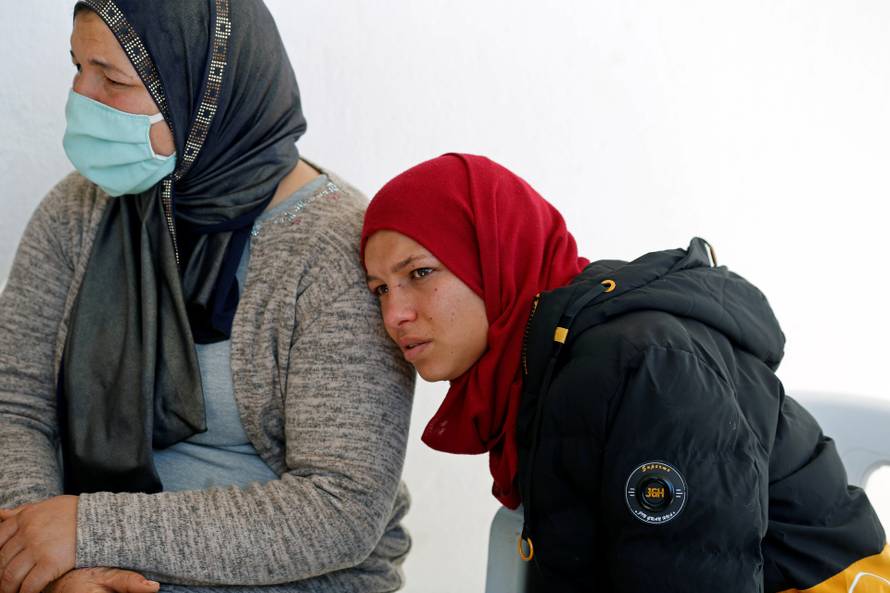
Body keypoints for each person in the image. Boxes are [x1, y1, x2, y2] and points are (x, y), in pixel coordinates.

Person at [0, 2, 414, 593]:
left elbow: (340, 506)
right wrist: (47, 565)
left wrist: (86, 531)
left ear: (203, 93)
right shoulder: (78, 210)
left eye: (112, 79)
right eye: (77, 66)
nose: (80, 96)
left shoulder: (336, 249)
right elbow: (15, 406)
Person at [360, 153, 890, 592]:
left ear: (497, 254)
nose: (394, 315)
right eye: (380, 288)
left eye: (420, 273)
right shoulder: (540, 365)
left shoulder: (640, 367)